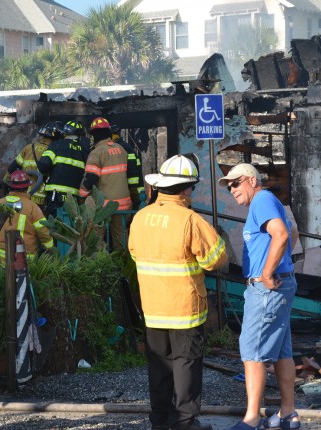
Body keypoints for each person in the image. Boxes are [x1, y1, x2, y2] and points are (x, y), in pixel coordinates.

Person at [128, 154, 228, 430]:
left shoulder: (140, 217)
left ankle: (160, 420)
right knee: (186, 365)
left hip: (153, 308)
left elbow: (135, 254)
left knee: (159, 366)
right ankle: (185, 422)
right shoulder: (190, 220)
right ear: (185, 189)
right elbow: (215, 259)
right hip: (185, 309)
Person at [218, 163, 300, 430]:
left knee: (252, 351)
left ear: (252, 180)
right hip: (279, 284)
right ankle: (288, 414)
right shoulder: (267, 201)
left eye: (236, 183)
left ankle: (252, 418)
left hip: (267, 289)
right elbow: (291, 233)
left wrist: (266, 272)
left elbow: (282, 234)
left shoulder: (262, 200)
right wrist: (282, 262)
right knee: (281, 352)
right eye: (229, 186)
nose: (232, 189)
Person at [79, 117, 131, 250]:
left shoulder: (96, 153)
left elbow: (90, 179)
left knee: (96, 239)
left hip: (103, 205)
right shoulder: (121, 150)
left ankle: (101, 266)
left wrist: (82, 195)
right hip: (124, 204)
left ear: (94, 135)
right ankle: (123, 265)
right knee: (121, 238)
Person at [0, 170, 54, 261]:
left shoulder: (0, 203)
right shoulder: (32, 207)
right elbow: (43, 230)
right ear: (27, 188)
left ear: (10, 186)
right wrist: (50, 247)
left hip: (2, 254)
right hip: (24, 257)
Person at [37, 120, 90, 216]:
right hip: (73, 196)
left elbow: (43, 166)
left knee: (54, 224)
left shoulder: (56, 145)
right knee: (70, 226)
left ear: (65, 133)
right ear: (80, 136)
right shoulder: (85, 151)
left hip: (55, 194)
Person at [9, 121, 64, 209]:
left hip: (23, 195)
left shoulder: (28, 148)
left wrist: (5, 184)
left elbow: (12, 168)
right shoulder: (55, 151)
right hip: (41, 198)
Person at [111, 124, 145, 209]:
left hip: (131, 193)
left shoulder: (123, 148)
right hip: (134, 192)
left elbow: (132, 172)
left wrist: (133, 192)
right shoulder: (126, 147)